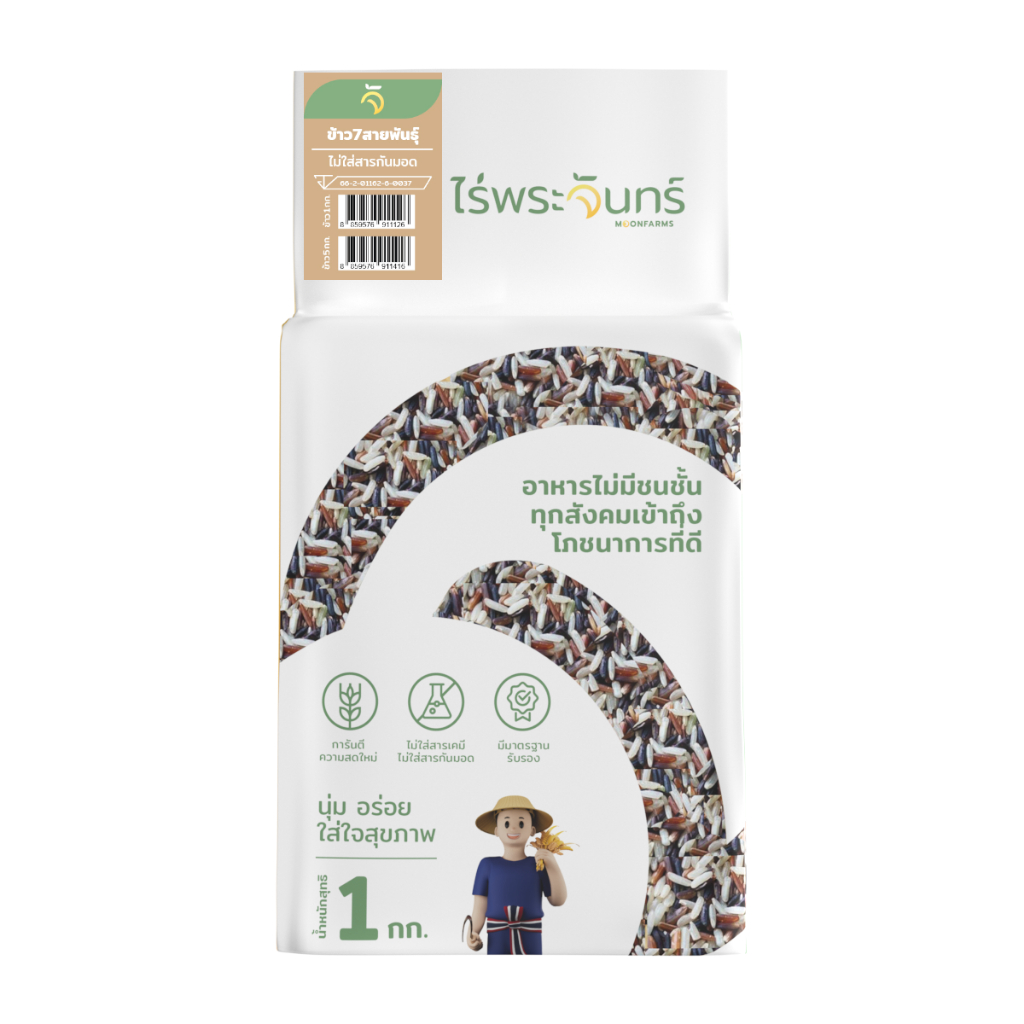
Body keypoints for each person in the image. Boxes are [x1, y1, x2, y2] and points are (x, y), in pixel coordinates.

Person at [464, 795, 567, 955]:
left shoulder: (538, 864)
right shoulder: (487, 865)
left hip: (530, 936)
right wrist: (474, 932)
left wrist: (552, 865)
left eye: (521, 823)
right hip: (497, 936)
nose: (513, 828)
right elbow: (479, 907)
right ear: (497, 830)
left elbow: (557, 900)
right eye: (506, 823)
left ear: (532, 830)